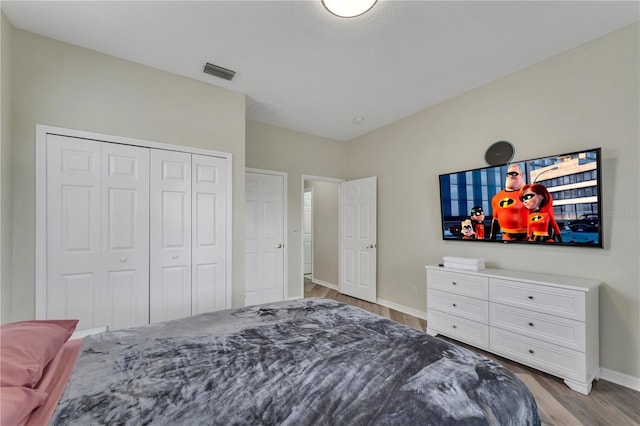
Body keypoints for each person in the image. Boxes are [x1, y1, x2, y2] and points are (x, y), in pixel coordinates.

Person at [489, 164, 529, 241]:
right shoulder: (497, 197)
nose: (511, 176)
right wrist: (492, 237)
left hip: (528, 237)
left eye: (514, 173)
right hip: (506, 237)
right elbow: (495, 219)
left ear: (521, 175)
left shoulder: (530, 193)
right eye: (509, 174)